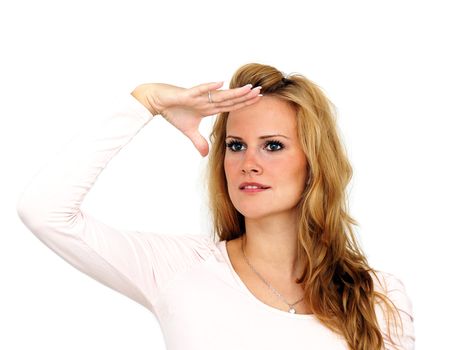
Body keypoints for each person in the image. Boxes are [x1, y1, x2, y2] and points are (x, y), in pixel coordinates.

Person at [16, 63, 415, 350]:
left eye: (273, 145)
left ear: (314, 164)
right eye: (235, 145)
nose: (249, 163)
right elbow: (44, 209)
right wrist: (145, 102)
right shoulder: (179, 268)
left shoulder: (377, 297)